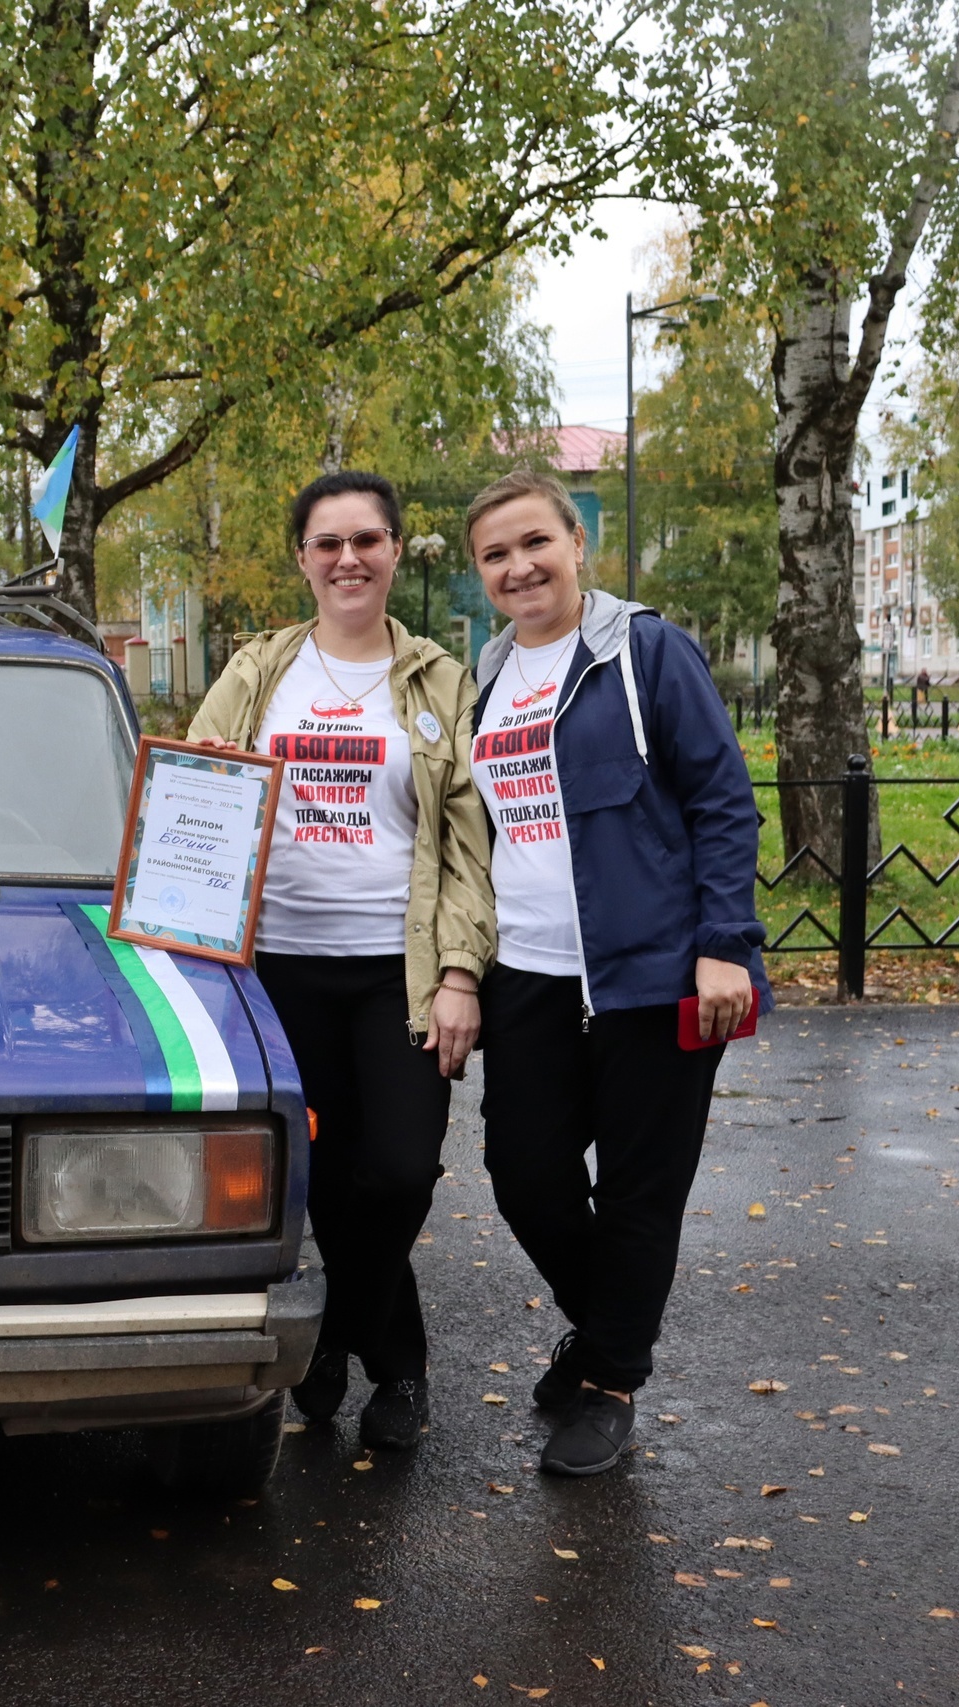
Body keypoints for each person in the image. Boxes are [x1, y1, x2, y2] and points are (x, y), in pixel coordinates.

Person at [461, 469, 769, 1477]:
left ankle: (607, 1385)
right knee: (524, 1173)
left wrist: (725, 943)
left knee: (641, 1191)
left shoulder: (644, 651)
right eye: (495, 554)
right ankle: (607, 1335)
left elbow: (722, 799)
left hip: (651, 975)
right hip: (531, 975)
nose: (519, 566)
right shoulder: (491, 673)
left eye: (533, 543)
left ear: (575, 543)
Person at [190, 469, 495, 1453]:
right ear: (303, 561)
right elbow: (196, 790)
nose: (348, 559)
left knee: (398, 1171)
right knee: (315, 1173)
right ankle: (395, 1369)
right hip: (277, 970)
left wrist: (458, 975)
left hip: (394, 971)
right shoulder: (260, 671)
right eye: (328, 544)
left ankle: (332, 1330)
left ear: (397, 551)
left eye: (366, 540)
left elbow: (466, 846)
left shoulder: (440, 681)